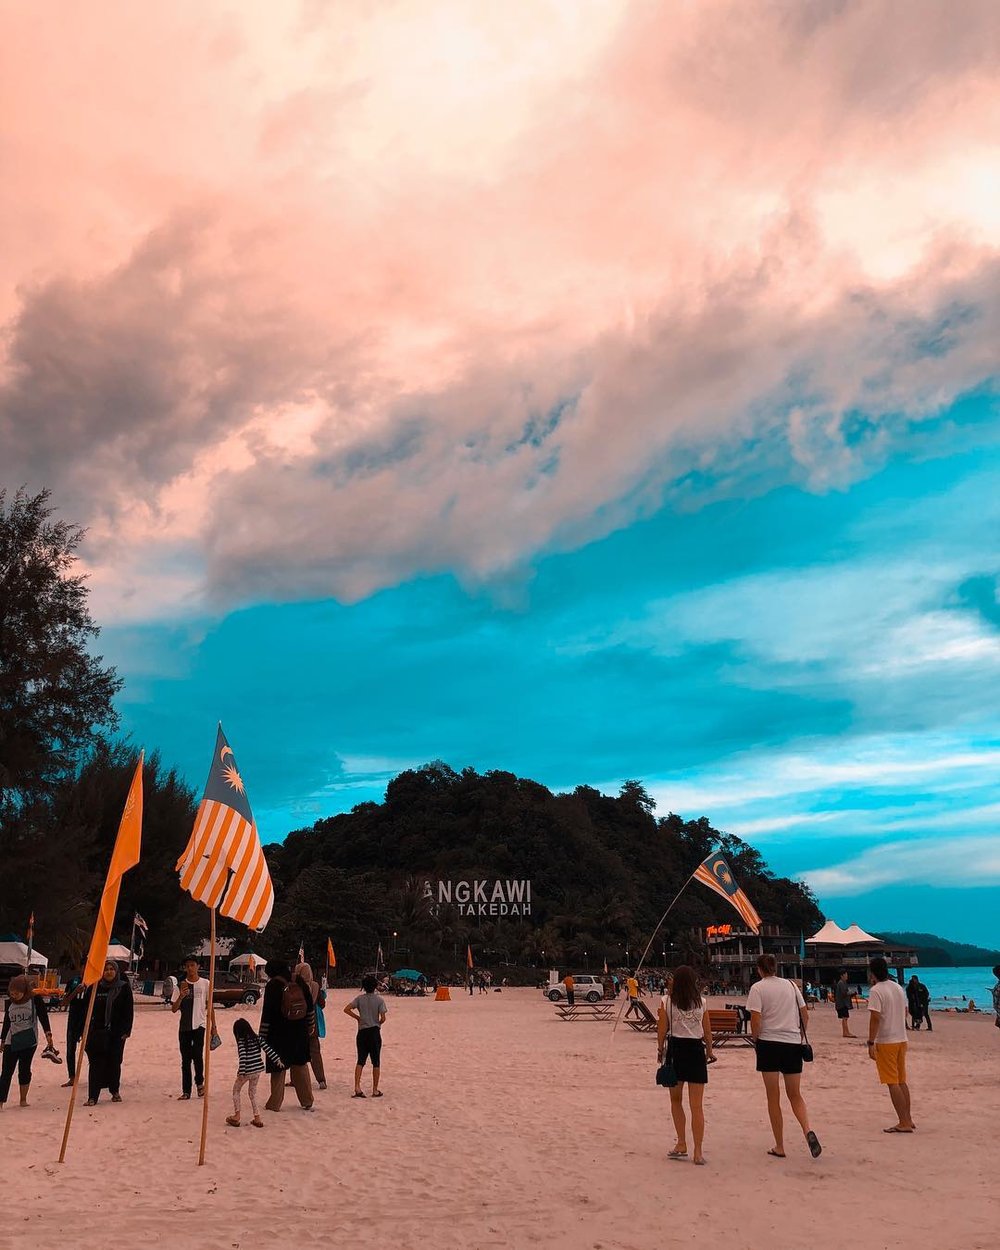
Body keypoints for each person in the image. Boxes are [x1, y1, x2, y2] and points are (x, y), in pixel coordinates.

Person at [746, 953, 822, 1160]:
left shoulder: (758, 988)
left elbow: (755, 1018)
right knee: (795, 1094)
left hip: (769, 1044)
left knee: (773, 1097)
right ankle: (807, 1130)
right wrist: (798, 1033)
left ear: (759, 969)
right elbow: (805, 1015)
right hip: (791, 1044)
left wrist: (756, 1039)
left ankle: (780, 1145)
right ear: (776, 968)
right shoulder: (791, 986)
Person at [656, 965, 715, 1165]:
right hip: (696, 1051)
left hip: (676, 1050)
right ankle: (698, 1151)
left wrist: (659, 1050)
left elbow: (662, 1030)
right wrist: (709, 1051)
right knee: (697, 1105)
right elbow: (707, 1031)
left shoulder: (667, 1002)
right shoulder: (702, 1003)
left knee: (676, 1101)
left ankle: (682, 1142)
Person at [867, 957, 915, 1134]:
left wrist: (871, 1042)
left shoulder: (876, 991)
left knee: (892, 1082)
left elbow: (875, 1018)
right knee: (901, 1080)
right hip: (901, 1038)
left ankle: (903, 1121)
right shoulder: (897, 987)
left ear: (872, 972)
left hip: (887, 1040)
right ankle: (908, 1118)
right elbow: (905, 1012)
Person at [259, 959, 314, 1112]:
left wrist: (262, 1034)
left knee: (278, 1067)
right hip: (300, 1030)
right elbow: (309, 1005)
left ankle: (274, 1103)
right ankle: (307, 1100)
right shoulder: (300, 980)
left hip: (278, 1033)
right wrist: (310, 1025)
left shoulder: (273, 985)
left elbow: (268, 1012)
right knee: (300, 1065)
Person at [1, 975, 56, 1108]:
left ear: (25, 990)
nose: (14, 996)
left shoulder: (35, 999)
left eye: (17, 993)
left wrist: (48, 1034)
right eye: (12, 993)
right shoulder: (11, 1002)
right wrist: (2, 1039)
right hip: (11, 1040)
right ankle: (1, 1101)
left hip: (29, 1040)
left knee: (24, 1069)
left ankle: (23, 1099)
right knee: (6, 1071)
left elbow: (43, 1016)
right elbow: (7, 1021)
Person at [83, 961, 133, 1105]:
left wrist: (127, 1030)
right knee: (96, 1064)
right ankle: (93, 1096)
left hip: (117, 1033)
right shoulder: (95, 987)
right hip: (97, 1032)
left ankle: (114, 1091)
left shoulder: (123, 988)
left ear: (116, 972)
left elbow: (128, 1011)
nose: (109, 972)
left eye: (112, 969)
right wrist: (85, 1030)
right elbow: (87, 1009)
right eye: (106, 969)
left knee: (114, 1062)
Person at [226, 1017, 284, 1128]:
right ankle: (257, 1117)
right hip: (257, 1071)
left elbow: (243, 1057)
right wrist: (277, 1060)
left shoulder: (242, 1042)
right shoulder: (257, 1038)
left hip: (247, 1071)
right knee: (252, 1094)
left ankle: (237, 1116)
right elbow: (268, 1050)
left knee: (236, 1090)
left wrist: (241, 1072)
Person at [171, 958, 216, 1100]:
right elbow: (174, 1008)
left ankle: (199, 1084)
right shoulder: (180, 985)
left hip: (200, 1025)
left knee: (197, 1055)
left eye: (192, 965)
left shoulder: (205, 983)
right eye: (187, 966)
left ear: (198, 967)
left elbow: (210, 1006)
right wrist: (181, 997)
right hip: (184, 1026)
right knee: (185, 1060)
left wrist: (214, 1027)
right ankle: (186, 1090)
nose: (190, 968)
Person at [344, 973, 387, 1098]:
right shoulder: (379, 1000)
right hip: (374, 1032)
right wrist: (377, 1023)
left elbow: (346, 1009)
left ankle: (357, 1087)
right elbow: (383, 1018)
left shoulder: (359, 999)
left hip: (362, 1032)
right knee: (376, 1062)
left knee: (361, 1060)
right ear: (375, 987)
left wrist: (358, 1018)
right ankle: (375, 1089)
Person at [294, 962, 326, 1089]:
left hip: (298, 1022)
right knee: (315, 1053)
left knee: (296, 1052)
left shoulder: (295, 986)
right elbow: (322, 1004)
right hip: (313, 1024)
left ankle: (295, 1079)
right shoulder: (316, 986)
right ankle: (321, 1080)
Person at [62, 974, 87, 1088]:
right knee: (71, 1049)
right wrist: (76, 991)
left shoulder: (96, 982)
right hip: (73, 1019)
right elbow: (64, 1002)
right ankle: (72, 1077)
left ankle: (96, 1076)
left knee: (91, 1049)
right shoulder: (73, 981)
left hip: (88, 1020)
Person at [834, 970, 856, 1038]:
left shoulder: (842, 983)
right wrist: (852, 993)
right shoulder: (841, 983)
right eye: (845, 975)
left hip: (841, 1003)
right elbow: (844, 993)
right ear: (842, 976)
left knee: (845, 1018)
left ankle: (846, 1032)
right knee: (845, 1018)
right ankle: (846, 1032)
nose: (847, 976)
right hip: (842, 1004)